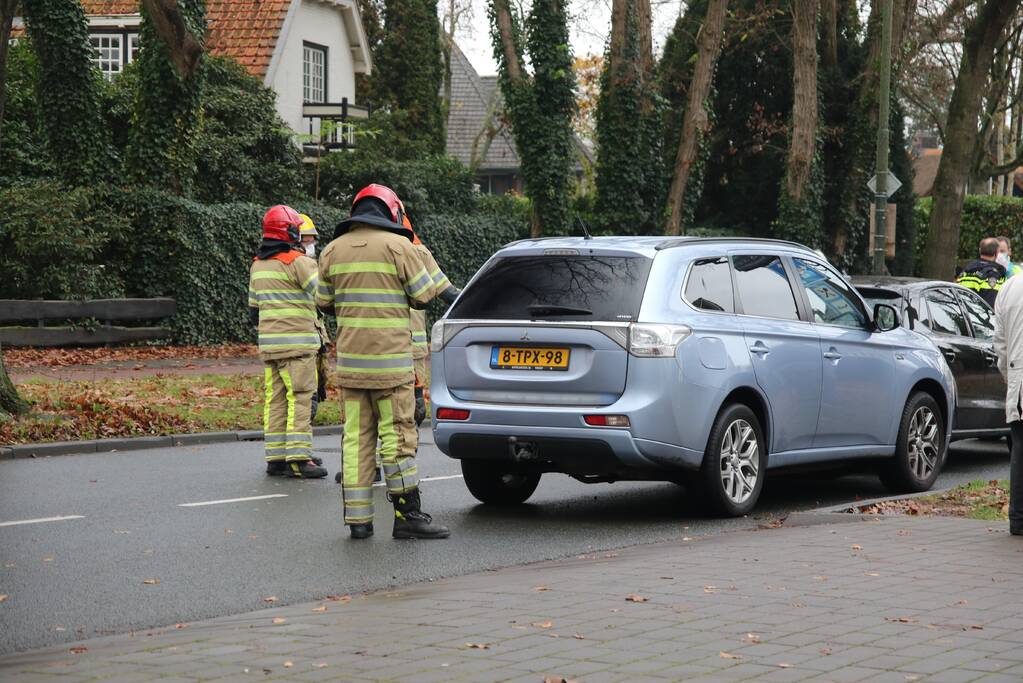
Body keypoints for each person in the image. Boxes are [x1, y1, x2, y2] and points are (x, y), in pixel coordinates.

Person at [316, 184, 449, 540]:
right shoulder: (399, 246)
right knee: (398, 440)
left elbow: (323, 302)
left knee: (356, 443)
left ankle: (358, 522)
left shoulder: (332, 250)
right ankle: (408, 517)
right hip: (391, 370)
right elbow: (424, 295)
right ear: (393, 212)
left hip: (351, 369)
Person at [248, 205, 328, 479]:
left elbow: (254, 311)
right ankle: (299, 458)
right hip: (298, 346)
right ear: (290, 232)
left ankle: (276, 458)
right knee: (301, 398)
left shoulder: (258, 265)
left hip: (270, 347)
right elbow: (325, 296)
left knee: (276, 401)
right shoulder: (299, 262)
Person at [405, 216, 460, 426]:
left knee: (364, 418)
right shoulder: (417, 252)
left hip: (360, 352)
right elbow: (449, 293)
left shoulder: (346, 250)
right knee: (409, 413)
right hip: (409, 348)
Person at [993, 274, 1023, 536]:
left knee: (1020, 448)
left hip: (1019, 380)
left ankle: (1018, 518)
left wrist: (1010, 377)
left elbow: (1000, 343)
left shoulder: (1010, 287)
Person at [298, 214, 331, 422]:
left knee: (319, 375)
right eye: (306, 240)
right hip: (304, 337)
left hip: (314, 332)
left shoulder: (310, 263)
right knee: (305, 390)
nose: (310, 245)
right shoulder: (301, 265)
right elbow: (322, 295)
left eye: (312, 240)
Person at [957, 237, 1007, 307]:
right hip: (978, 312)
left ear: (980, 250)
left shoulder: (966, 270)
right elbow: (990, 305)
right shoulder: (992, 274)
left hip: (962, 310)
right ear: (996, 252)